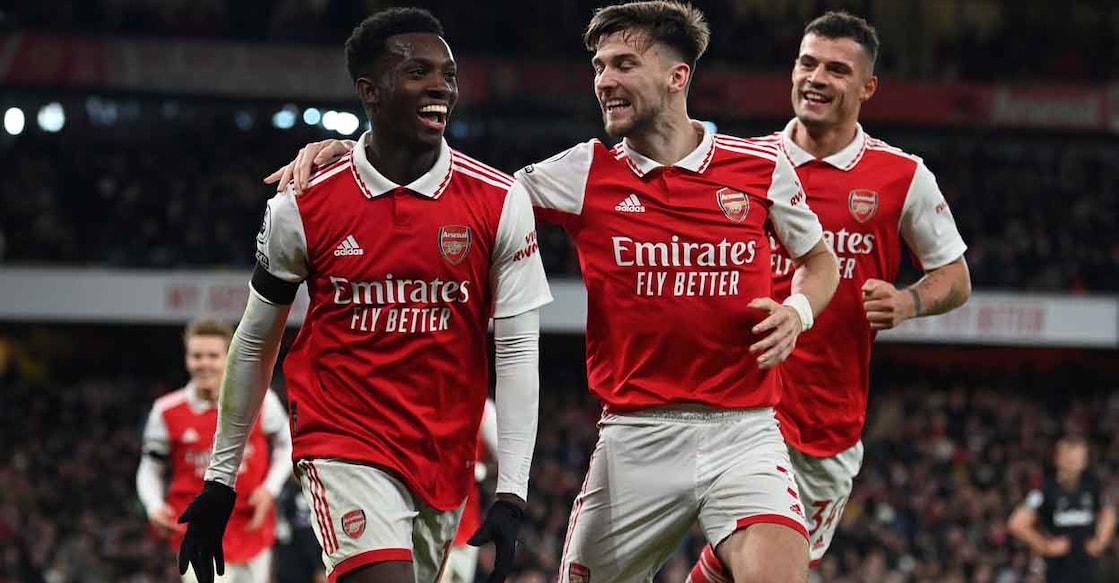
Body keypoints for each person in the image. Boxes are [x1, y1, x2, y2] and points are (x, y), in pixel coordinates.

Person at [270, 3, 838, 581]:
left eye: (623, 64)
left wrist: (798, 310)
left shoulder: (761, 167)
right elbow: (469, 194)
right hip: (635, 437)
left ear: (677, 76)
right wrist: (361, 155)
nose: (604, 81)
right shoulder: (583, 172)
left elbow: (820, 263)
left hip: (744, 431)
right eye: (598, 67)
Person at [175, 8, 553, 583]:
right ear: (370, 91)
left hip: (444, 453)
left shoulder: (499, 201)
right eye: (418, 72)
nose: (441, 87)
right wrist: (221, 479)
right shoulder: (303, 202)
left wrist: (512, 492)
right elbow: (255, 339)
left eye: (448, 74)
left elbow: (519, 350)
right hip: (342, 438)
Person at [687, 11, 972, 581]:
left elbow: (955, 277)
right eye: (807, 63)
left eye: (837, 70)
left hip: (826, 423)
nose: (816, 78)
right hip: (734, 403)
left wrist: (908, 302)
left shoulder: (902, 176)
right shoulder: (744, 164)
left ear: (868, 87)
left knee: (753, 568)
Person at [137, 319, 293, 583]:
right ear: (187, 359)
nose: (204, 363)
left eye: (212, 356)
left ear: (228, 357)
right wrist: (154, 506)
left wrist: (270, 489)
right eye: (197, 356)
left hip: (252, 528)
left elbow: (286, 444)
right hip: (197, 534)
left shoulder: (260, 400)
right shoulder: (166, 411)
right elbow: (150, 468)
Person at [1008, 435, 1116, 583]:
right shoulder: (1045, 490)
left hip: (1088, 566)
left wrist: (1100, 542)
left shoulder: (1092, 486)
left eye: (1078, 457)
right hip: (1058, 569)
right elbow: (1017, 523)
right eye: (1069, 457)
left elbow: (1108, 513)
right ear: (1057, 458)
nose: (1073, 462)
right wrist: (1044, 546)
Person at [441, 399, 499, 583]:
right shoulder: (431, 397)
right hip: (430, 518)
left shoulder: (485, 410)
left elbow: (505, 462)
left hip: (466, 526)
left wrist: (482, 469)